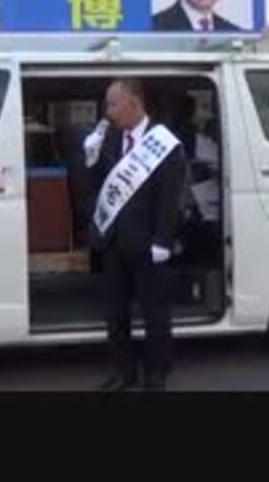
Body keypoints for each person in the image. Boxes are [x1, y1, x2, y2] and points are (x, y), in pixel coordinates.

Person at [83, 78, 187, 391]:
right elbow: (98, 188)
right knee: (115, 314)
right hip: (114, 242)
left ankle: (156, 374)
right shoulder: (110, 139)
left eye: (113, 104)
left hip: (148, 243)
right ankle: (123, 372)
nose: (109, 112)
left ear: (134, 103)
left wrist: (163, 240)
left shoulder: (163, 143)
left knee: (155, 314)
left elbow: (170, 196)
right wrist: (90, 158)